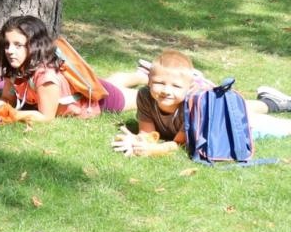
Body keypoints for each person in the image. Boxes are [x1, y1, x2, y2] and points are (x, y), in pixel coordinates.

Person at [110, 50, 291, 157]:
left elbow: (179, 143)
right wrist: (138, 141)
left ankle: (275, 103)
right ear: (148, 81)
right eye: (159, 83)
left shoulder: (189, 105)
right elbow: (147, 132)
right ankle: (272, 101)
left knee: (277, 128)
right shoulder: (145, 96)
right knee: (242, 108)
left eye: (175, 85)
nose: (166, 90)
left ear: (188, 88)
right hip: (218, 110)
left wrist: (152, 151)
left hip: (228, 126)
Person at [0, 15, 127, 124]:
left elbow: (46, 117)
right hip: (86, 87)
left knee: (133, 96)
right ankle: (139, 74)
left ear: (33, 45)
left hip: (104, 101)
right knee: (113, 81)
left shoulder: (46, 76)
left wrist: (9, 114)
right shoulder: (14, 67)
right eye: (7, 44)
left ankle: (144, 77)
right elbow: (7, 98)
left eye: (18, 45)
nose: (10, 51)